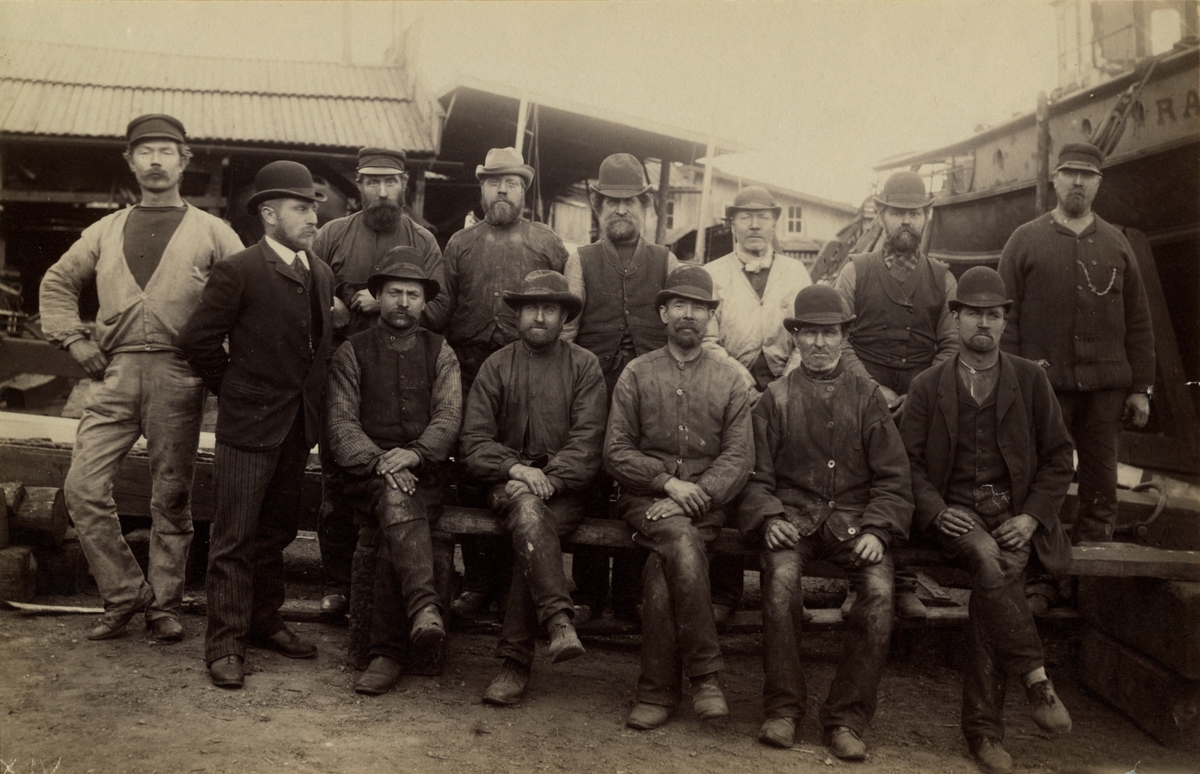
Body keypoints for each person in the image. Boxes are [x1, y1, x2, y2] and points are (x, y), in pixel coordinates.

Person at [39, 113, 244, 644]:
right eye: (145, 152)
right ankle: (125, 592)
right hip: (115, 373)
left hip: (179, 374)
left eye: (166, 151)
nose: (155, 161)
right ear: (130, 162)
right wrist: (75, 340)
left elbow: (249, 293)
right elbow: (58, 282)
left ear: (184, 161)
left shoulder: (213, 231)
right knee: (82, 487)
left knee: (171, 496)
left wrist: (221, 362)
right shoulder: (104, 230)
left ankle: (165, 607)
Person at [900, 267, 1075, 773]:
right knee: (985, 557)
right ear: (955, 319)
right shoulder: (928, 385)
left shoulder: (1031, 380)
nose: (983, 323)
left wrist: (1031, 518)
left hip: (1013, 518)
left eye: (993, 315)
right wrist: (936, 511)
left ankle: (984, 732)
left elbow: (1059, 458)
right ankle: (1035, 680)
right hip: (957, 520)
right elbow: (907, 463)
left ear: (1004, 322)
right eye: (973, 313)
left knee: (994, 583)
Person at [738, 283, 912, 759]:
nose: (819, 343)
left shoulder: (868, 396)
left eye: (829, 333)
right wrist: (769, 517)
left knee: (880, 594)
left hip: (856, 525)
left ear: (844, 337)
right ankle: (783, 709)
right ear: (794, 337)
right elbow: (753, 477)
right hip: (793, 521)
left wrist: (878, 529)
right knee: (780, 583)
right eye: (809, 333)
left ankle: (847, 718)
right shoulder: (775, 398)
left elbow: (894, 477)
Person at [180, 161, 335, 689]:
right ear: (268, 214)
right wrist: (236, 390)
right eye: (300, 208)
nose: (313, 217)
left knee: (277, 531)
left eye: (314, 207)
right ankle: (225, 644)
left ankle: (265, 622)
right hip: (248, 427)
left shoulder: (320, 272)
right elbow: (197, 340)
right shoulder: (239, 270)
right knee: (234, 536)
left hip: (296, 427)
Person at [605, 265, 754, 731]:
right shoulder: (637, 373)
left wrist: (699, 493)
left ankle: (657, 692)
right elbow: (616, 451)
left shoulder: (731, 379)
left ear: (711, 317)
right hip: (645, 501)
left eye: (699, 307)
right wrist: (667, 483)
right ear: (664, 313)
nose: (689, 314)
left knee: (663, 565)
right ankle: (706, 676)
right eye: (680, 305)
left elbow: (739, 457)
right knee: (681, 542)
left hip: (706, 505)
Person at [459, 271, 607, 706]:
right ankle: (558, 620)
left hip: (565, 493)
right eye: (531, 308)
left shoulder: (584, 366)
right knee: (527, 513)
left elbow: (588, 442)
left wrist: (551, 479)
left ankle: (514, 663)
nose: (539, 317)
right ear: (517, 315)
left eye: (549, 309)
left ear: (564, 318)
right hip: (507, 487)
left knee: (532, 522)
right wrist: (516, 469)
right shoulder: (496, 365)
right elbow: (473, 442)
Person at [311, 147, 445, 619]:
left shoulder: (423, 240)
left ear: (404, 184)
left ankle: (385, 584)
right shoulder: (332, 234)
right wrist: (332, 305)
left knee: (399, 474)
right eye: (372, 182)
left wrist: (385, 302)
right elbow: (304, 288)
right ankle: (338, 584)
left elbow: (442, 307)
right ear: (359, 185)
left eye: (390, 182)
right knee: (337, 480)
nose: (382, 191)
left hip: (405, 376)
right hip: (344, 371)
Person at [998, 142, 1153, 546]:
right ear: (1055, 179)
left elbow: (1138, 321)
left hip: (1106, 393)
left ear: (1099, 183)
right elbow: (1004, 319)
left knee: (1101, 487)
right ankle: (1040, 566)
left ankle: (1092, 568)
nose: (1078, 182)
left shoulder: (1117, 243)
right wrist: (1013, 382)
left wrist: (1140, 388)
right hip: (1045, 390)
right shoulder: (1024, 240)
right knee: (1039, 478)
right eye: (1070, 173)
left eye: (1088, 175)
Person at [440, 147, 571, 620]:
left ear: (523, 191)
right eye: (494, 182)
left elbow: (564, 307)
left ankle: (522, 584)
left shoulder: (547, 242)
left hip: (529, 366)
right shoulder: (460, 243)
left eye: (511, 183)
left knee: (527, 458)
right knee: (473, 472)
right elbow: (443, 307)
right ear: (481, 189)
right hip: (470, 368)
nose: (502, 190)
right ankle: (479, 582)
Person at [324, 248, 462, 696]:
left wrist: (416, 455)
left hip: (424, 472)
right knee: (394, 498)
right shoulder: (353, 351)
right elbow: (341, 424)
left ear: (424, 302)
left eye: (413, 295)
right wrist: (382, 463)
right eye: (395, 293)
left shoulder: (441, 351)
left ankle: (385, 653)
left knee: (397, 512)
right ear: (378, 296)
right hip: (368, 475)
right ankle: (423, 609)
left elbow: (448, 417)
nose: (404, 302)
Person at [833, 170, 959, 620]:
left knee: (915, 481)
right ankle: (860, 584)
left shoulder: (942, 278)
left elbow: (951, 344)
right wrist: (872, 388)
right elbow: (837, 338)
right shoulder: (855, 270)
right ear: (881, 215)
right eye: (897, 212)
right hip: (861, 397)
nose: (906, 221)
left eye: (915, 213)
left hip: (920, 403)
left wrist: (921, 391)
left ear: (926, 217)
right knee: (859, 484)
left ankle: (903, 582)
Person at [563, 152, 681, 624]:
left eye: (630, 201)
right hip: (594, 389)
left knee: (641, 483)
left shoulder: (666, 260)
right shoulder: (580, 260)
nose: (620, 209)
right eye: (611, 201)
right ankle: (590, 592)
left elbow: (679, 329)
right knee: (592, 484)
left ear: (645, 206)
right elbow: (568, 334)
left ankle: (632, 595)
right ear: (597, 206)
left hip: (652, 394)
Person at [703, 184, 813, 626]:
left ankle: (782, 589)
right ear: (732, 224)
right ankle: (726, 590)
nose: (753, 225)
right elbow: (708, 341)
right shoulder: (713, 274)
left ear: (774, 223)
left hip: (787, 390)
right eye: (744, 217)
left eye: (762, 217)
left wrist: (786, 386)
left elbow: (807, 334)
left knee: (781, 481)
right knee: (731, 479)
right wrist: (743, 382)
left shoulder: (796, 273)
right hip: (731, 391)